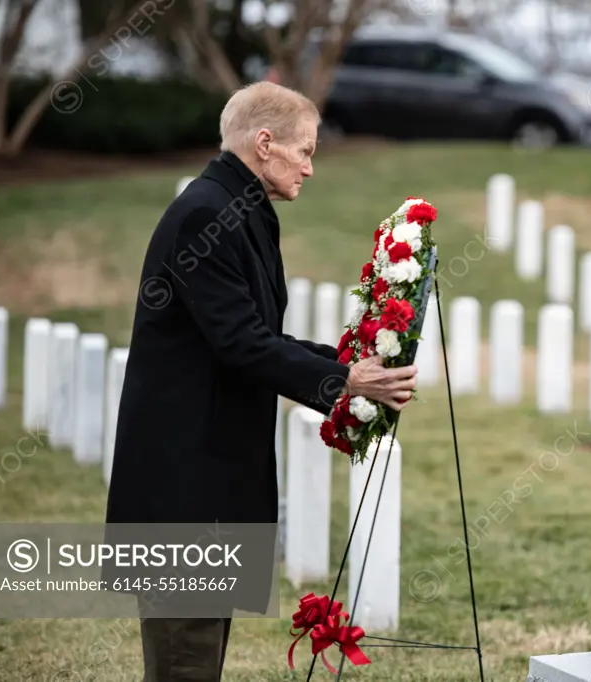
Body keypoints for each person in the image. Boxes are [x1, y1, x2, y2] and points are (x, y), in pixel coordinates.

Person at [104, 81, 417, 681]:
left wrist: (348, 362)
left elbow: (255, 333)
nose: (311, 166)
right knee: (183, 666)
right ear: (264, 142)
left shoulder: (237, 208)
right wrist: (347, 380)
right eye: (305, 151)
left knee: (199, 659)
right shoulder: (206, 213)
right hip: (183, 487)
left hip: (210, 478)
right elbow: (242, 344)